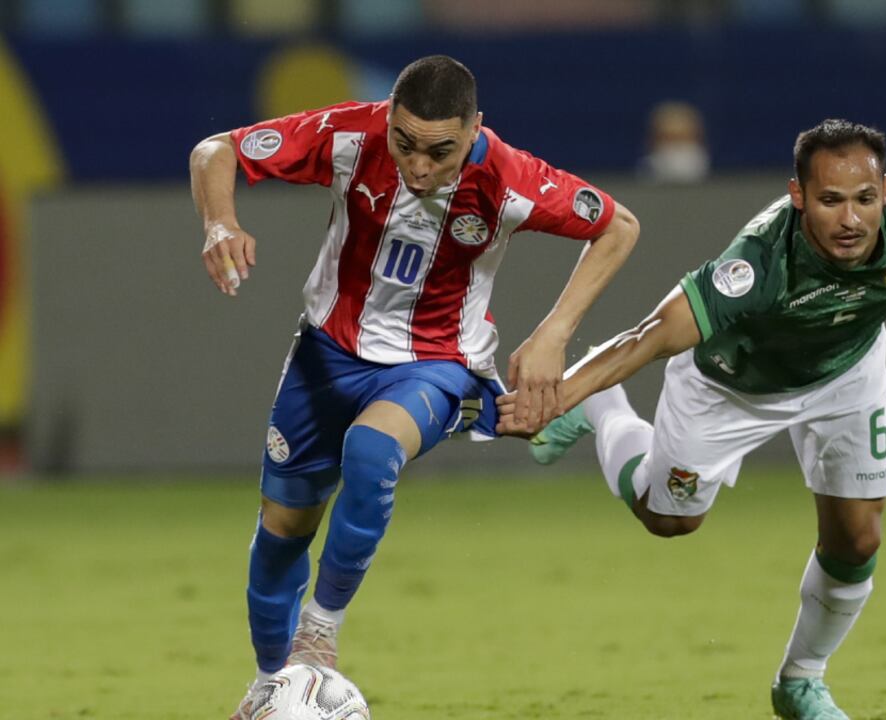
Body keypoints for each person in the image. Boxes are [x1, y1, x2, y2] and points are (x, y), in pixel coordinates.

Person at [499, 84, 886, 719]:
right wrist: (558, 397)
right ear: (798, 197)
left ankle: (801, 680)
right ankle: (605, 412)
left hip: (845, 374)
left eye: (865, 198)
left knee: (858, 540)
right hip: (730, 387)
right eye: (830, 200)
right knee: (669, 521)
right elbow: (650, 336)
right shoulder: (757, 264)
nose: (851, 218)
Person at [189, 55, 640, 719]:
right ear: (389, 121)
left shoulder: (508, 177)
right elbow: (217, 149)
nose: (420, 166)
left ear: (475, 128)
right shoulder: (351, 137)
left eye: (441, 151)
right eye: (405, 143)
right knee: (283, 531)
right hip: (324, 357)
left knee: (372, 454)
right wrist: (219, 222)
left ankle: (321, 630)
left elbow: (618, 226)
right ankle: (270, 688)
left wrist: (552, 334)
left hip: (434, 361)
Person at [636, 100, 711, 184]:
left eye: (683, 138)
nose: (677, 147)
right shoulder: (646, 170)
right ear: (652, 141)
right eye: (669, 139)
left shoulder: (700, 163)